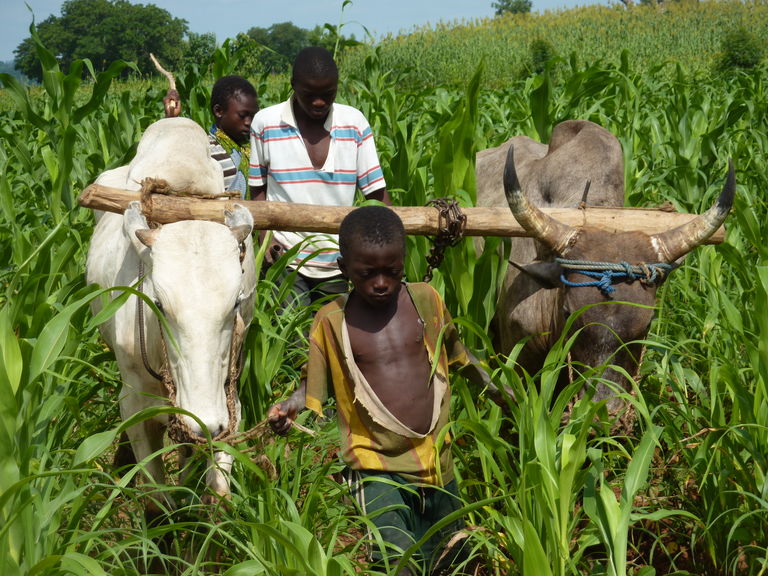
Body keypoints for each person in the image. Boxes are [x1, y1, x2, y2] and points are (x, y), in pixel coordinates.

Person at [268, 206, 510, 575]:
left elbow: (458, 354)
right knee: (396, 560)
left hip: (436, 458)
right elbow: (315, 382)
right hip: (375, 463)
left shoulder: (426, 300)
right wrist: (291, 406)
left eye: (392, 271)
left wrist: (499, 390)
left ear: (403, 262)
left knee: (451, 559)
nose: (381, 283)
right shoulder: (332, 321)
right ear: (344, 268)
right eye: (368, 274)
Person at [249, 46, 391, 304]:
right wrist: (265, 238)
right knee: (290, 330)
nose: (319, 102)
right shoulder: (265, 123)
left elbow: (376, 194)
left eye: (328, 94)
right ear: (293, 85)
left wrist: (389, 247)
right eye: (309, 94)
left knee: (333, 328)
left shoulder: (354, 123)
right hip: (286, 259)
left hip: (339, 260)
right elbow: (258, 190)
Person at [164, 75, 258, 199]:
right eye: (242, 115)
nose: (248, 122)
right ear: (218, 111)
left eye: (253, 116)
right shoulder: (205, 149)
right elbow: (171, 163)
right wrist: (171, 119)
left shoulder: (254, 149)